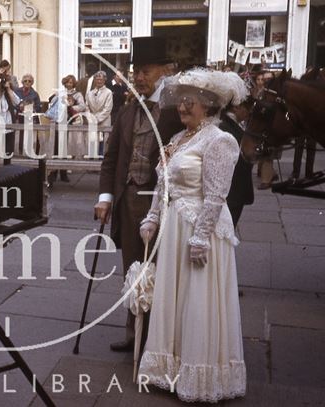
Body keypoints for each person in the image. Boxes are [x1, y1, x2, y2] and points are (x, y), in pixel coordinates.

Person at [137, 68, 247, 403]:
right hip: (174, 228)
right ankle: (167, 369)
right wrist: (152, 216)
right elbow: (164, 183)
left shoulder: (220, 140)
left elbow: (216, 195)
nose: (183, 106)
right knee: (174, 297)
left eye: (191, 101)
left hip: (200, 229)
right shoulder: (178, 140)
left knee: (197, 299)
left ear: (209, 105)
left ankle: (198, 373)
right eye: (181, 100)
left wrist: (200, 237)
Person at [94, 36, 183, 352]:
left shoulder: (176, 109)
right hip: (129, 201)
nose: (139, 77)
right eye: (136, 72)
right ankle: (134, 336)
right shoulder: (128, 111)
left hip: (163, 203)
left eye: (146, 71)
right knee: (133, 267)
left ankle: (158, 339)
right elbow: (111, 158)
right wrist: (105, 198)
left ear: (164, 70)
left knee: (161, 268)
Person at [221, 95, 255, 226]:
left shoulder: (234, 123)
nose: (248, 113)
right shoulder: (226, 127)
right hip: (232, 191)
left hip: (237, 189)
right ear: (236, 107)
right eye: (246, 109)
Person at [47, 74, 86, 185]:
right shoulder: (60, 92)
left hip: (69, 121)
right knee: (56, 147)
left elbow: (82, 106)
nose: (69, 84)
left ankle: (63, 173)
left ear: (74, 83)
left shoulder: (78, 94)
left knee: (64, 148)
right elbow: (52, 103)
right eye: (67, 82)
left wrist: (71, 106)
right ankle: (53, 173)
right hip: (59, 121)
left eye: (71, 82)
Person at [85, 70, 113, 154]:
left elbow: (107, 109)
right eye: (97, 79)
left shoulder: (108, 92)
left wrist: (96, 119)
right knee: (92, 144)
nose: (99, 81)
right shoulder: (89, 93)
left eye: (101, 79)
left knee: (103, 145)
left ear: (104, 80)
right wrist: (90, 117)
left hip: (104, 122)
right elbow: (87, 107)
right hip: (92, 122)